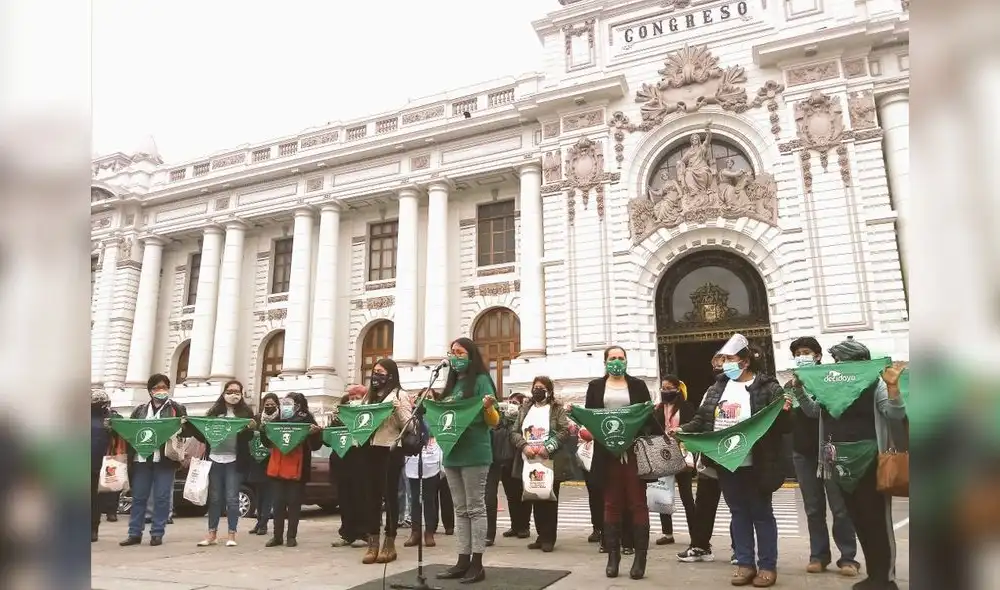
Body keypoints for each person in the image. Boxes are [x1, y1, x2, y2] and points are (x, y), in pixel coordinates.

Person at [670, 335, 792, 588]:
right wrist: (682, 430)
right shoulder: (717, 388)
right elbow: (703, 420)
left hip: (757, 463)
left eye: (730, 358)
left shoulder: (768, 388)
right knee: (738, 513)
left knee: (761, 514)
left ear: (745, 362)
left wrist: (785, 412)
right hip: (726, 462)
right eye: (723, 359)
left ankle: (767, 566)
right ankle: (745, 563)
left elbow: (784, 426)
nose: (725, 363)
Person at [790, 338, 907, 590]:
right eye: (836, 361)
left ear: (859, 362)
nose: (837, 365)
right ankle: (874, 576)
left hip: (869, 461)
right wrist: (799, 389)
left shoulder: (875, 383)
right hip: (837, 462)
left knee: (877, 522)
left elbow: (895, 414)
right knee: (859, 520)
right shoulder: (831, 388)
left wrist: (893, 388)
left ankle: (886, 579)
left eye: (841, 360)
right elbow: (813, 411)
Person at [785, 337, 860, 576]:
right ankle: (818, 556)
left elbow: (816, 412)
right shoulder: (789, 385)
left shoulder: (829, 380)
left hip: (830, 451)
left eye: (806, 352)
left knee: (840, 508)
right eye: (797, 353)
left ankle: (848, 558)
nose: (801, 357)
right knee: (813, 508)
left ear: (817, 356)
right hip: (802, 453)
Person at [584, 345, 654, 580]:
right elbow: (591, 418)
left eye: (620, 358)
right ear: (605, 362)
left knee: (637, 502)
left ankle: (640, 558)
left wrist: (630, 435)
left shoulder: (638, 386)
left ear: (626, 361)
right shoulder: (595, 387)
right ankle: (612, 557)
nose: (616, 361)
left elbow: (647, 418)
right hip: (607, 454)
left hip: (633, 452)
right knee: (611, 503)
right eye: (612, 358)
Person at [434, 337, 500, 584]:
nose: (454, 356)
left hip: (475, 452)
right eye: (452, 352)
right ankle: (462, 560)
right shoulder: (451, 386)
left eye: (460, 352)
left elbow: (494, 421)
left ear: (471, 356)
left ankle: (477, 563)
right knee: (460, 509)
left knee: (475, 507)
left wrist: (488, 407)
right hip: (452, 453)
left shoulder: (481, 381)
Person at [120, 374, 188, 547]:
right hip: (142, 459)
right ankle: (134, 533)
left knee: (162, 497)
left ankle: (157, 533)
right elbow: (130, 430)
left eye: (164, 387)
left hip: (164, 459)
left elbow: (187, 432)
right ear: (150, 391)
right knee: (139, 497)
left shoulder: (176, 409)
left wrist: (183, 425)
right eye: (157, 388)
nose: (161, 391)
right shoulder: (140, 410)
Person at [359, 358, 412, 565]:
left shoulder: (399, 395)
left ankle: (389, 543)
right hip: (369, 449)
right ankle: (373, 543)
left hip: (390, 450)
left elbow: (409, 426)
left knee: (390, 497)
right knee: (371, 497)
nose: (376, 376)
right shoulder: (369, 397)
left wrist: (397, 409)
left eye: (380, 372)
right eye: (374, 372)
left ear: (390, 374)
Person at [510, 376, 572, 552]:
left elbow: (564, 431)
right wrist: (524, 446)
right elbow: (514, 432)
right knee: (535, 497)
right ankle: (540, 536)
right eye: (535, 387)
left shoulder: (556, 409)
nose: (537, 390)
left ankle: (549, 538)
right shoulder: (525, 408)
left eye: (541, 388)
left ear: (549, 391)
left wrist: (548, 447)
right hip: (529, 459)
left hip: (549, 460)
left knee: (549, 499)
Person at [193, 380, 256, 547]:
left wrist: (249, 428)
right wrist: (190, 425)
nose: (233, 394)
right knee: (214, 498)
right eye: (230, 391)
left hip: (234, 460)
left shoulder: (245, 413)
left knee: (232, 498)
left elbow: (248, 437)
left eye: (237, 392)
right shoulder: (214, 412)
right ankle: (211, 534)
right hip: (215, 459)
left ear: (241, 394)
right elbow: (203, 434)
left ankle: (231, 535)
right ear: (224, 393)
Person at [261, 392, 322, 548]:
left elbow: (316, 445)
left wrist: (315, 434)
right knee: (278, 504)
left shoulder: (307, 420)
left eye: (289, 404)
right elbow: (267, 442)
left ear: (298, 406)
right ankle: (277, 536)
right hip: (278, 467)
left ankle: (291, 536)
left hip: (297, 469)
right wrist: (263, 430)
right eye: (284, 403)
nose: (285, 406)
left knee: (294, 504)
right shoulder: (277, 419)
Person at [651, 375, 695, 546]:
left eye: (669, 388)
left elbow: (693, 426)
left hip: (682, 453)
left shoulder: (686, 407)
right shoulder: (658, 408)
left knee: (686, 496)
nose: (665, 391)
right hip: (663, 454)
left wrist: (680, 431)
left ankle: (695, 534)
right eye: (663, 388)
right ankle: (667, 533)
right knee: (663, 494)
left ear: (677, 389)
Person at [486, 391, 530, 546]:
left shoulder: (520, 419)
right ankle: (515, 526)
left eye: (515, 403)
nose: (511, 405)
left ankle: (524, 526)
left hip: (514, 459)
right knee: (510, 495)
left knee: (519, 493)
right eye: (509, 402)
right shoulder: (499, 419)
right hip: (498, 459)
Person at [330, 384, 368, 548]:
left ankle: (363, 534)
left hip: (361, 462)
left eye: (356, 398)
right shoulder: (339, 417)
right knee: (344, 500)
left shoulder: (367, 417)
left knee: (360, 499)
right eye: (351, 398)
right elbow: (330, 438)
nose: (352, 401)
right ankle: (347, 533)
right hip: (342, 462)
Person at [403, 423, 444, 549]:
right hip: (413, 455)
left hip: (431, 454)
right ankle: (415, 532)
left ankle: (429, 532)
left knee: (429, 498)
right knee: (414, 498)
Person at [91, 389, 121, 542]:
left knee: (95, 499)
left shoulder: (111, 419)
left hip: (101, 464)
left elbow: (122, 434)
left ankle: (93, 528)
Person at [248, 392, 279, 536]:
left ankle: (264, 523)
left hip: (272, 459)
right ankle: (259, 521)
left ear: (277, 405)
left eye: (272, 404)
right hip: (257, 459)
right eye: (267, 404)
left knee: (268, 494)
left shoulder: (280, 419)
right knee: (259, 493)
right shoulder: (257, 418)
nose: (269, 406)